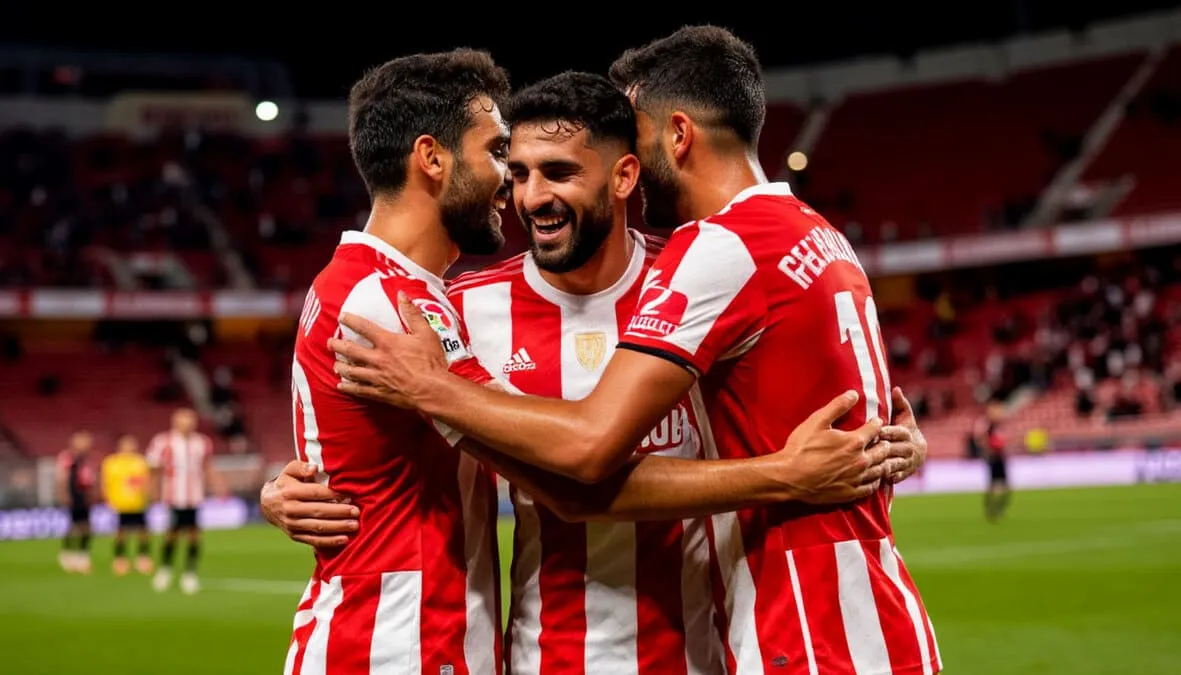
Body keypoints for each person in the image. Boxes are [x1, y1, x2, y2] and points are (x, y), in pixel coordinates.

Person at [330, 27, 941, 675]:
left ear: (628, 171)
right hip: (550, 657)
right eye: (519, 173)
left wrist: (888, 446)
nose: (531, 197)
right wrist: (294, 487)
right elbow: (383, 444)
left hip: (714, 652)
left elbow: (589, 454)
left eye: (559, 172)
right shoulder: (463, 310)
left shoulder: (693, 275)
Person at [147, 407, 220, 594]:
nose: (187, 424)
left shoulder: (202, 443)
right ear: (175, 422)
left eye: (190, 420)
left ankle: (190, 573)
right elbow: (154, 469)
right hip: (173, 496)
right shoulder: (163, 442)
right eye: (183, 420)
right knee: (172, 534)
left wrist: (218, 486)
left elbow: (207, 466)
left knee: (194, 535)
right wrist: (153, 491)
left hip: (195, 496)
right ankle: (165, 570)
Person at [101, 434, 153, 575]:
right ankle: (120, 559)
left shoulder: (140, 462)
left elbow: (146, 481)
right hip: (120, 504)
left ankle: (143, 558)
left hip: (138, 503)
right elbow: (105, 482)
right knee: (121, 532)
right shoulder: (111, 462)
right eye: (127, 444)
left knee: (143, 531)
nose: (130, 447)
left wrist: (148, 496)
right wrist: (107, 499)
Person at [56, 430, 96, 574]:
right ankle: (67, 553)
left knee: (86, 526)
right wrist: (64, 495)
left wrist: (92, 494)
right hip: (74, 496)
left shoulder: (88, 460)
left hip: (85, 497)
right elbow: (62, 478)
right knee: (75, 526)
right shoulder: (67, 458)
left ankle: (82, 555)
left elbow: (90, 479)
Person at [972, 399, 1010, 521]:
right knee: (993, 484)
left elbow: (1004, 440)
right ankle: (990, 508)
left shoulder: (999, 425)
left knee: (1004, 486)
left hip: (1000, 456)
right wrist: (987, 451)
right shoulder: (986, 424)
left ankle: (998, 508)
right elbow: (980, 439)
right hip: (993, 457)